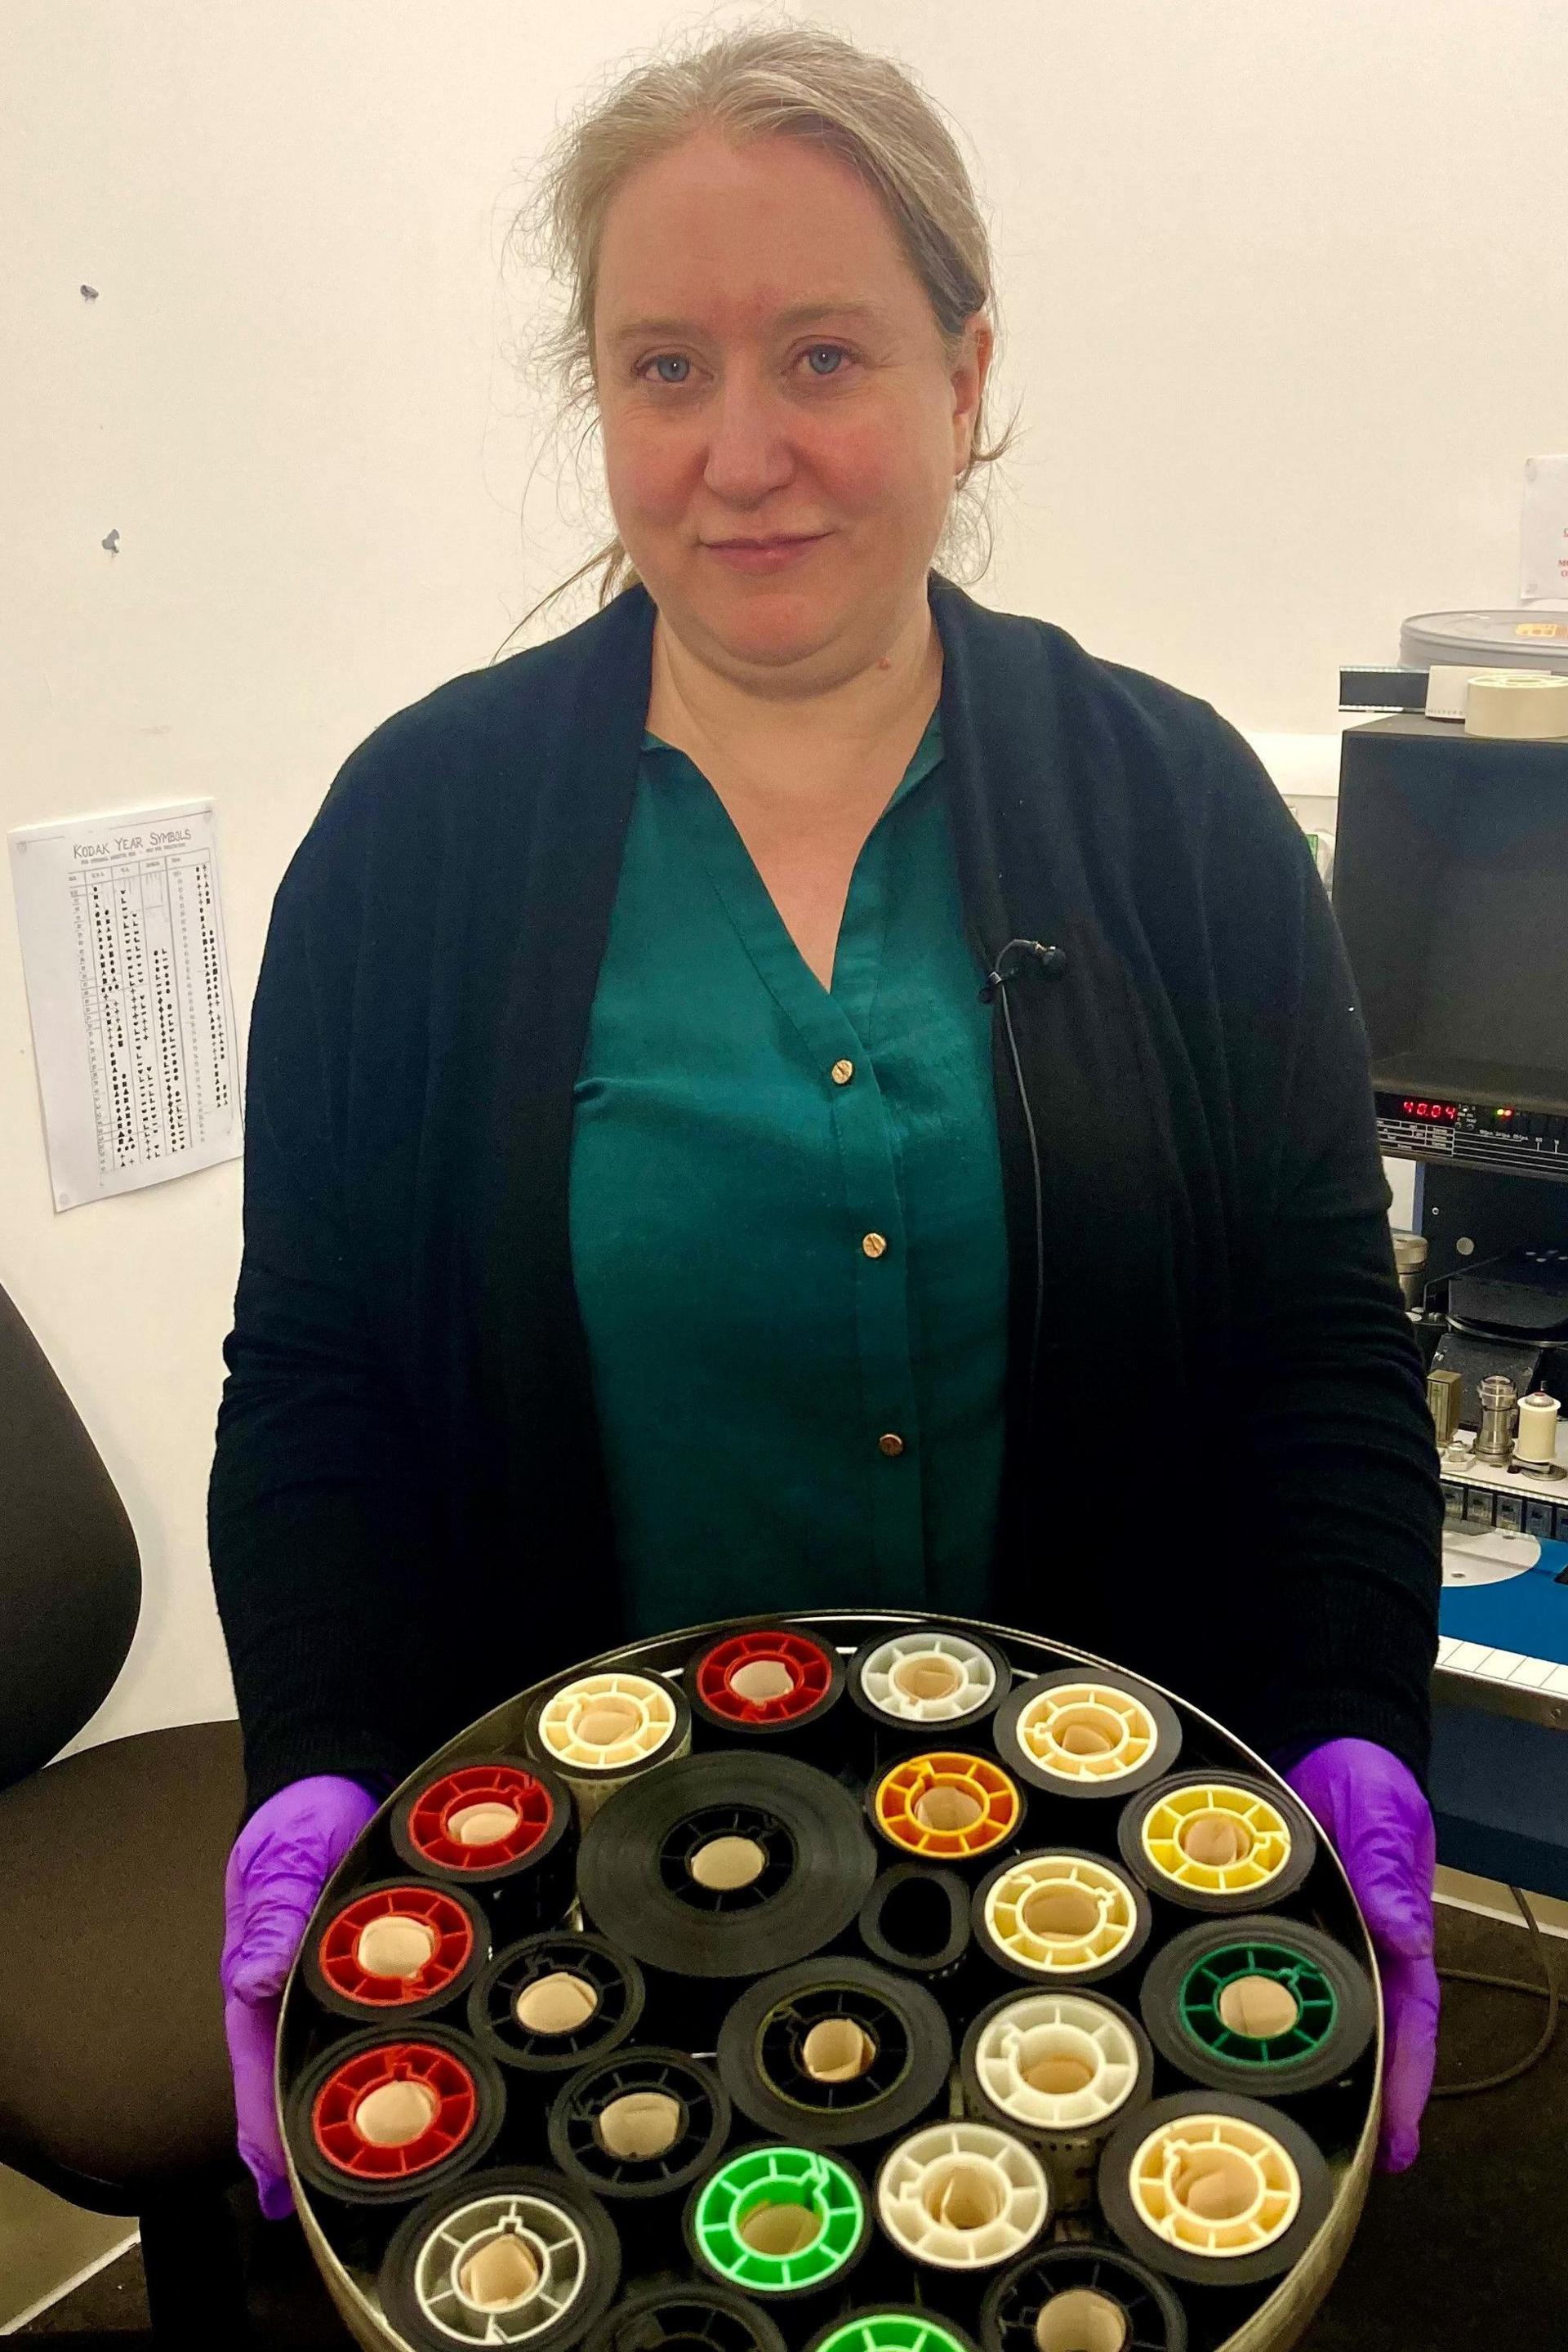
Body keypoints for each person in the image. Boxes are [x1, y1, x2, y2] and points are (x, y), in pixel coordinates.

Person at [212, 22, 1442, 2225]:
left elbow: (1319, 1350)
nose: (743, 452)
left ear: (968, 375)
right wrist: (315, 1767)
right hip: (573, 1950)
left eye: (826, 356)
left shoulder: (1176, 819)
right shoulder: (418, 839)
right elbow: (316, 1385)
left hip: (1098, 1907)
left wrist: (1349, 1715)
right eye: (665, 368)